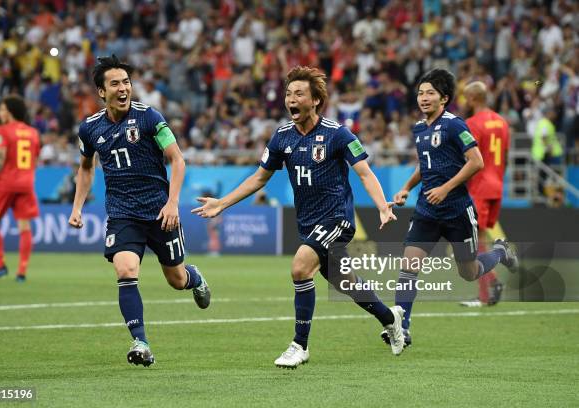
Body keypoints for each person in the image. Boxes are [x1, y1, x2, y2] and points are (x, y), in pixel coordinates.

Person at [192, 66, 406, 369]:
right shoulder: (281, 137)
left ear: (315, 100)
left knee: (300, 267)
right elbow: (258, 179)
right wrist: (222, 203)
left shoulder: (337, 134)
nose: (291, 99)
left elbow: (364, 172)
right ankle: (390, 318)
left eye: (299, 94)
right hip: (308, 222)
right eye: (289, 94)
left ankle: (299, 345)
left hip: (337, 219)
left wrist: (382, 205)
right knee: (345, 282)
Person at [68, 55, 210, 367]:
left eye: (126, 82)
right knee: (126, 270)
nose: (123, 88)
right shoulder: (89, 129)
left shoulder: (150, 118)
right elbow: (86, 168)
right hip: (123, 213)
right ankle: (141, 342)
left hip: (161, 212)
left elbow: (177, 159)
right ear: (102, 92)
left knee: (176, 278)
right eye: (115, 83)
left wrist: (172, 203)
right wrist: (77, 206)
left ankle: (195, 278)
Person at [381, 69, 518, 348]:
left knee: (468, 272)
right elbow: (425, 164)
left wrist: (446, 188)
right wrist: (407, 187)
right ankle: (402, 329)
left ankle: (501, 252)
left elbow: (476, 161)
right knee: (408, 266)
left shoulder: (456, 125)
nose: (423, 97)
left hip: (457, 210)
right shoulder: (420, 128)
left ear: (444, 98)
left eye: (430, 92)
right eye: (420, 92)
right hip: (427, 211)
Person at [460, 81, 510, 307]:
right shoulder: (502, 122)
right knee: (479, 239)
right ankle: (487, 290)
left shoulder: (472, 123)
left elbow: (471, 159)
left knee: (473, 241)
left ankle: (489, 286)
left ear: (472, 99)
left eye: (465, 98)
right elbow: (505, 155)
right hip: (497, 184)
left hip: (479, 186)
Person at [0, 95, 40, 282]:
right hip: (26, 183)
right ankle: (22, 272)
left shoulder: (3, 131)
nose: (0, 113)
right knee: (24, 226)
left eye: (1, 109)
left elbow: (0, 157)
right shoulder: (33, 133)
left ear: (9, 111)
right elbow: (35, 158)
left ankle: (0, 266)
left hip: (7, 182)